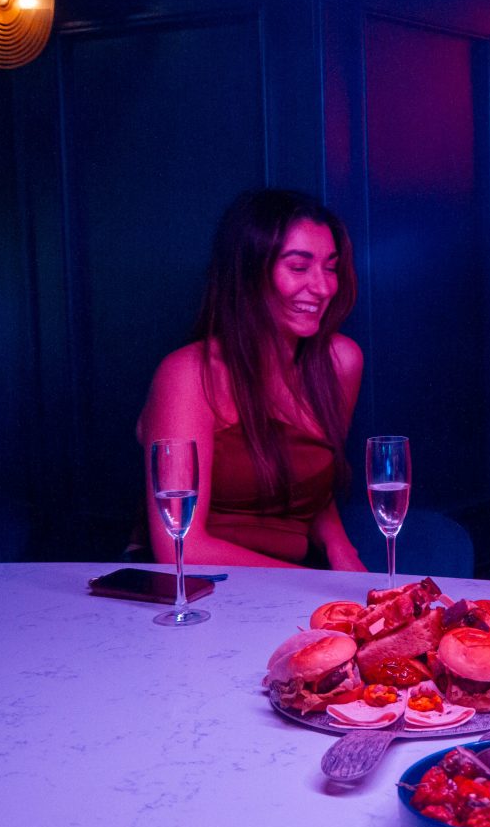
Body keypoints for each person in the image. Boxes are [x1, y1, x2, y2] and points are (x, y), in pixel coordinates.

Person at [137, 189, 366, 569]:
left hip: (292, 580)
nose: (324, 287)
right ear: (247, 273)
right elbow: (180, 547)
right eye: (298, 267)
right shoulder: (188, 374)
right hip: (194, 588)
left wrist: (343, 554)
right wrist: (313, 585)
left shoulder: (341, 361)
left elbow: (310, 478)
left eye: (330, 267)